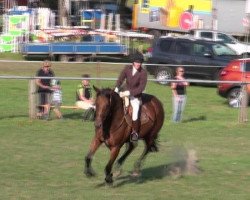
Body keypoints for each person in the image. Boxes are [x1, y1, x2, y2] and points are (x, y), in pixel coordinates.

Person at [114, 52, 147, 142]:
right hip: (124, 91)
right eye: (136, 62)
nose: (138, 64)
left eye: (140, 62)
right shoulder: (127, 68)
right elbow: (120, 79)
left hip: (135, 96)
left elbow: (141, 88)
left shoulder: (143, 73)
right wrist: (116, 88)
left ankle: (135, 132)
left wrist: (130, 93)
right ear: (133, 62)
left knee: (135, 110)